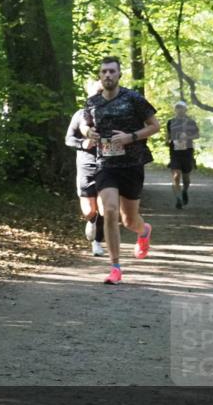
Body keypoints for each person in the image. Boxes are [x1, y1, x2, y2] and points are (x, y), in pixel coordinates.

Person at [82, 57, 160, 285]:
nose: (108, 75)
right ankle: (115, 267)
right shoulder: (93, 102)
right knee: (110, 211)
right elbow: (85, 124)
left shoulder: (133, 98)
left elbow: (154, 126)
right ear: (100, 75)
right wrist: (89, 134)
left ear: (119, 74)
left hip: (132, 165)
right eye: (104, 71)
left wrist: (130, 137)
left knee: (129, 220)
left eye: (112, 71)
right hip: (106, 165)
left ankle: (143, 230)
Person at [65, 93, 106, 257]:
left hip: (107, 165)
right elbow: (68, 139)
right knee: (89, 211)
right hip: (86, 165)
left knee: (104, 207)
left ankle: (97, 241)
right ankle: (91, 220)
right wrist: (83, 143)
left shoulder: (113, 115)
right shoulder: (80, 115)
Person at [167, 100, 200, 209]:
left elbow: (197, 135)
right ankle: (178, 199)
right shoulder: (170, 122)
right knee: (176, 176)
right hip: (174, 152)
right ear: (175, 109)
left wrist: (187, 137)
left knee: (186, 178)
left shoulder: (191, 122)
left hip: (187, 152)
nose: (179, 110)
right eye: (177, 107)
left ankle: (185, 191)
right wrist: (168, 141)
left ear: (185, 109)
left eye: (181, 107)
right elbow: (168, 136)